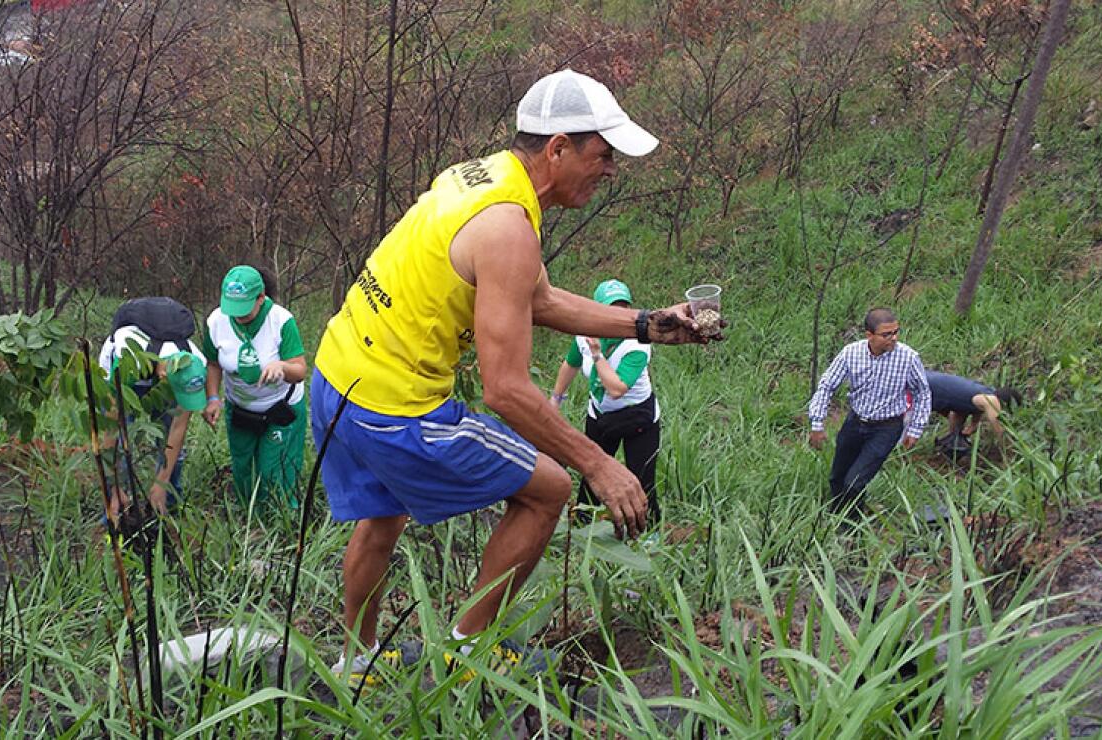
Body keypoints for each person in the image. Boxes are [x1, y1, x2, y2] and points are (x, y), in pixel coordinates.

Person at [311, 69, 717, 682]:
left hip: (337, 376)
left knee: (382, 516)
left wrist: (648, 324)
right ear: (558, 148)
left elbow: (538, 300)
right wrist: (600, 465)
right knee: (549, 488)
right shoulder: (509, 229)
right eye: (602, 156)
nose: (610, 171)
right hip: (396, 408)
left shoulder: (480, 178)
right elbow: (505, 390)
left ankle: (356, 662)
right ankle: (468, 654)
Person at [550, 279, 661, 521]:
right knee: (592, 474)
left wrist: (598, 355)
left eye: (623, 307)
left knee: (642, 478)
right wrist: (556, 399)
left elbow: (617, 388)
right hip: (600, 416)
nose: (617, 314)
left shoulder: (638, 343)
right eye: (611, 308)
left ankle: (648, 531)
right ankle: (582, 525)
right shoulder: (583, 337)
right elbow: (571, 363)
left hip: (638, 417)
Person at [201, 266, 309, 511]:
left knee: (275, 471)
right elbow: (213, 363)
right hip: (240, 407)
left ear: (261, 298)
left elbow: (300, 370)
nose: (237, 316)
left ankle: (281, 525)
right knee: (243, 467)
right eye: (232, 308)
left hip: (280, 407)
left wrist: (281, 366)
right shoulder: (217, 321)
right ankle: (249, 520)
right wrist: (213, 398)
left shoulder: (281, 321)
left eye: (244, 309)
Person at [807, 308, 931, 514]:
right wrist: (817, 424)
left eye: (896, 332)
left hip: (887, 427)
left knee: (855, 481)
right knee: (837, 477)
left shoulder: (908, 358)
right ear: (869, 335)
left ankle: (852, 529)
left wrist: (915, 429)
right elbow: (827, 386)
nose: (893, 339)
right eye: (886, 335)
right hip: (855, 422)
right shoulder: (851, 353)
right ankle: (837, 516)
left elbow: (922, 393)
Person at [97, 297, 208, 516]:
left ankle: (168, 504)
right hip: (126, 374)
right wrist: (114, 485)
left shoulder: (197, 363)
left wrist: (161, 484)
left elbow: (177, 429)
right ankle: (114, 508)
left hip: (157, 375)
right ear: (165, 376)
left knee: (172, 445)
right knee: (119, 442)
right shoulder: (127, 358)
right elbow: (110, 428)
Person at [923, 370, 1021, 452]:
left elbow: (957, 413)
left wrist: (967, 429)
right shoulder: (991, 400)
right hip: (926, 385)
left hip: (930, 381)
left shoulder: (979, 395)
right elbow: (997, 421)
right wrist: (1007, 448)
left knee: (957, 427)